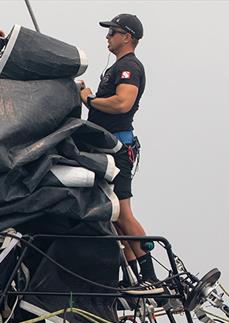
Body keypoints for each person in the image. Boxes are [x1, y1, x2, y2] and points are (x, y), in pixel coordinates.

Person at [79, 14, 157, 283]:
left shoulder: (129, 67)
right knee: (111, 215)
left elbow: (123, 103)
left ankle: (151, 275)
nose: (107, 37)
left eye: (112, 32)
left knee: (123, 214)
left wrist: (90, 99)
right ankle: (135, 276)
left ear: (127, 37)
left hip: (118, 149)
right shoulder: (119, 67)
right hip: (105, 148)